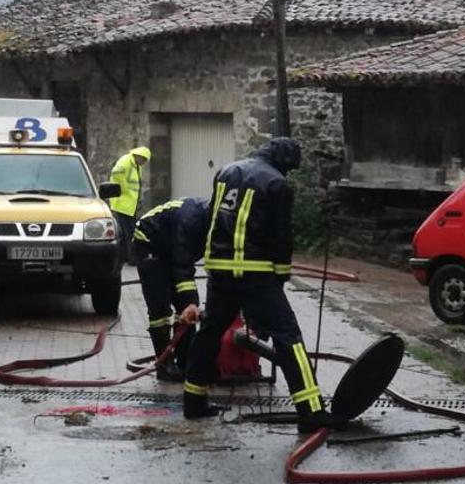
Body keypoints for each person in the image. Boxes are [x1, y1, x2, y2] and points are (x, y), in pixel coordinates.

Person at [179, 137, 342, 434]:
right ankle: (311, 410)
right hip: (254, 272)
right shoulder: (277, 183)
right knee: (288, 336)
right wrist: (280, 276)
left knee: (210, 333)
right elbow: (281, 237)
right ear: (283, 161)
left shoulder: (227, 171)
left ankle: (193, 401)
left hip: (219, 270)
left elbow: (212, 216)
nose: (288, 174)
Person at [133, 197, 209, 381]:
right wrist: (191, 302)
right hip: (149, 240)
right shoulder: (191, 222)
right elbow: (183, 264)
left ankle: (184, 360)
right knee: (160, 306)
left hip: (171, 246)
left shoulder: (215, 223)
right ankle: (164, 364)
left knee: (186, 307)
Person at [108, 146, 150, 257]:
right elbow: (116, 173)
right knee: (129, 232)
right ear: (139, 156)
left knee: (130, 232)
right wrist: (125, 189)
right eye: (144, 159)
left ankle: (127, 256)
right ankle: (131, 257)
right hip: (123, 204)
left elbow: (138, 186)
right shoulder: (126, 161)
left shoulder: (137, 166)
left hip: (130, 205)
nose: (144, 163)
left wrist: (139, 200)